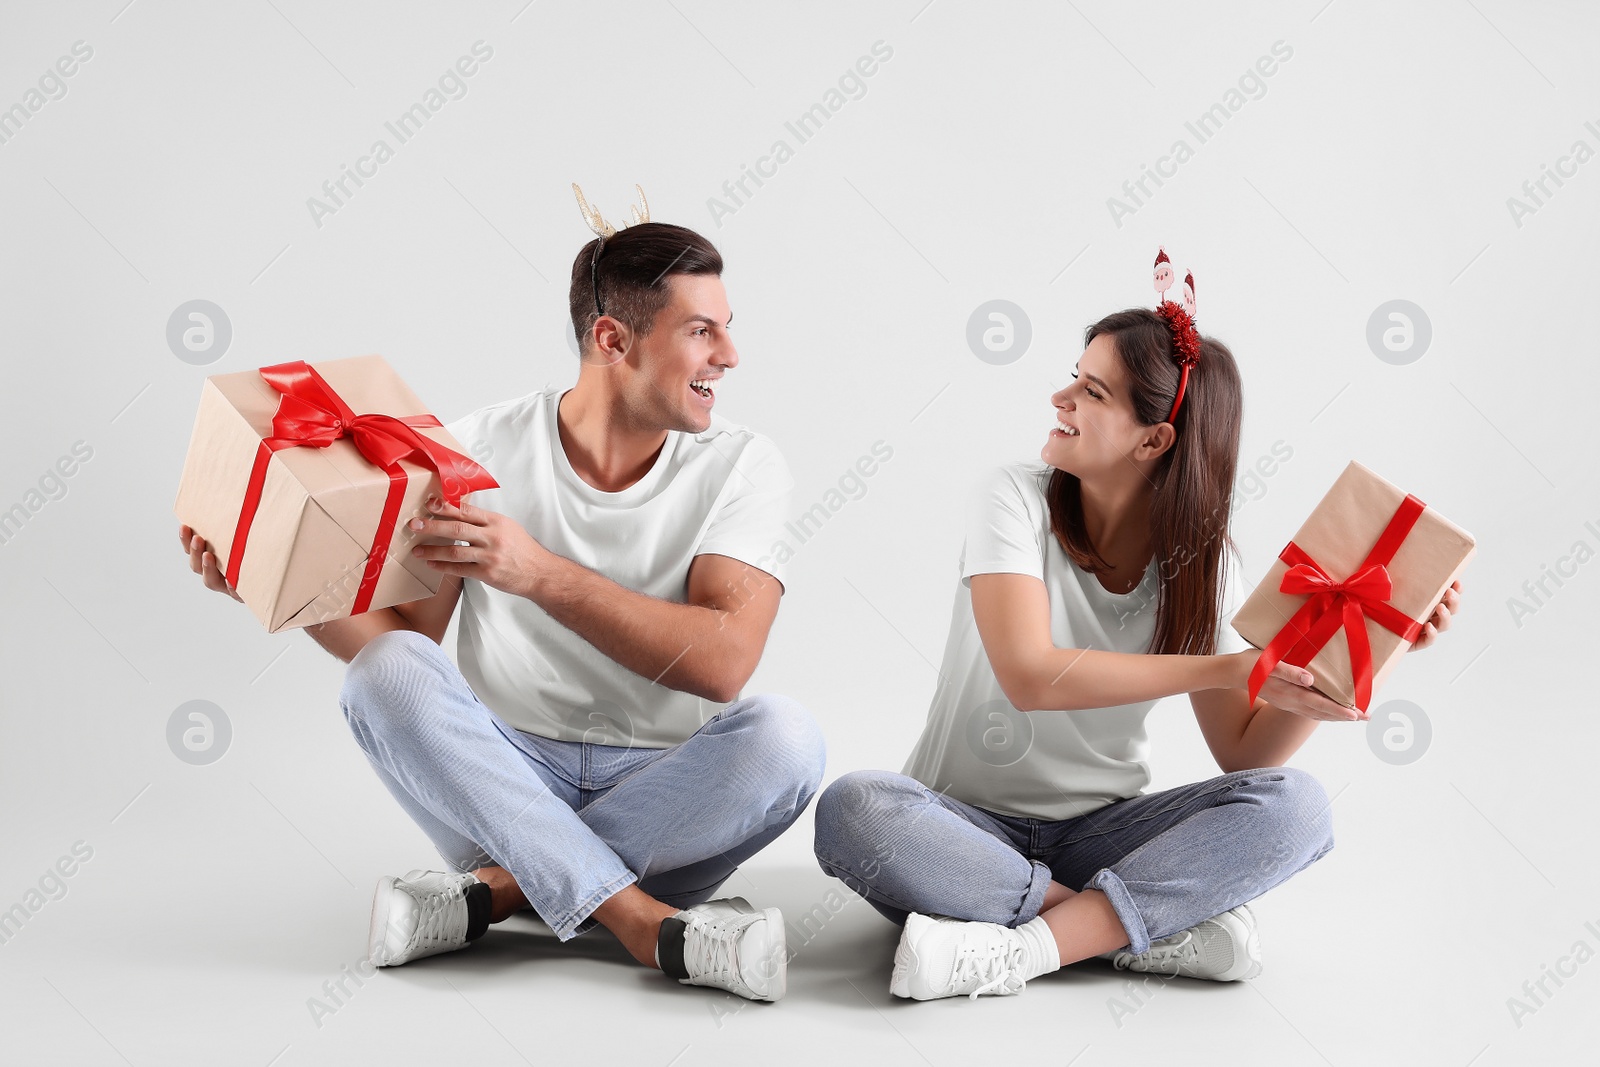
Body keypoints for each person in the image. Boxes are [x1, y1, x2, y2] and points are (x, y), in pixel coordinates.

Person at [179, 191, 824, 1004]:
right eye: (703, 330)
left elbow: (724, 664)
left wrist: (537, 572)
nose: (729, 355)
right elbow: (408, 640)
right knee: (383, 669)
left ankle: (502, 890)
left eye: (727, 326)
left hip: (669, 792)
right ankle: (636, 919)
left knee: (788, 738)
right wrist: (273, 579)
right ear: (613, 339)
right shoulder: (477, 449)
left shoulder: (744, 464)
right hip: (504, 781)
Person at [811, 268, 1462, 1001]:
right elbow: (1028, 673)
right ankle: (1126, 930)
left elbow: (1245, 752)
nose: (1060, 399)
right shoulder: (1011, 498)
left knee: (1299, 805)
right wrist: (1224, 669)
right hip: (963, 828)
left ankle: (1015, 947)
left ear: (1154, 439)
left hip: (1102, 838)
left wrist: (1374, 640)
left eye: (1092, 392)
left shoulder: (1205, 568)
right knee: (854, 809)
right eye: (1073, 377)